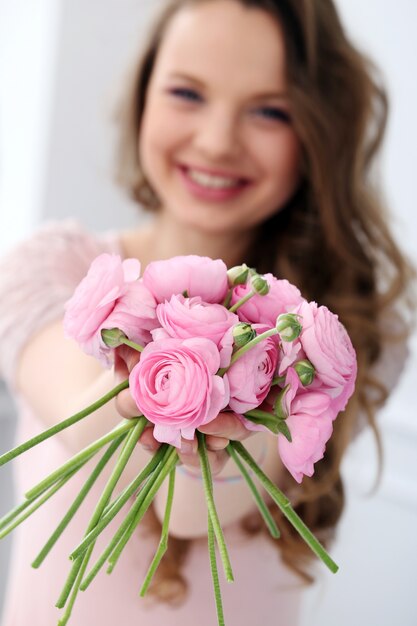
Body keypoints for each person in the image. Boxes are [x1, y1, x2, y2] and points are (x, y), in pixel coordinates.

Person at [0, 0, 414, 624]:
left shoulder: (339, 330)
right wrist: (160, 387)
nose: (218, 141)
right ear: (142, 97)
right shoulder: (52, 271)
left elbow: (191, 513)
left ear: (319, 130)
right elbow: (78, 412)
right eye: (187, 94)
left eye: (270, 111)